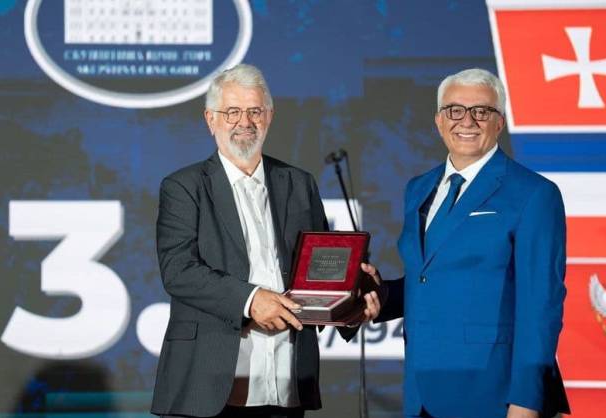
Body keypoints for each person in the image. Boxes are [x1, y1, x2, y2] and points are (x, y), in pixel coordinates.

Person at [151, 63, 381, 418]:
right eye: (232, 112)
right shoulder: (184, 186)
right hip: (210, 386)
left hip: (287, 382)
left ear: (269, 117)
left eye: (255, 111)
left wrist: (351, 305)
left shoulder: (299, 183)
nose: (245, 122)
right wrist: (251, 300)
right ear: (210, 120)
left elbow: (318, 274)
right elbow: (178, 270)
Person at [371, 68, 570, 418]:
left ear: (499, 122)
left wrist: (526, 401)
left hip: (493, 394)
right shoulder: (418, 189)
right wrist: (379, 295)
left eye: (481, 111)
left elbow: (541, 307)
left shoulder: (534, 194)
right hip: (421, 392)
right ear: (439, 121)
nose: (467, 121)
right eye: (455, 110)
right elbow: (428, 279)